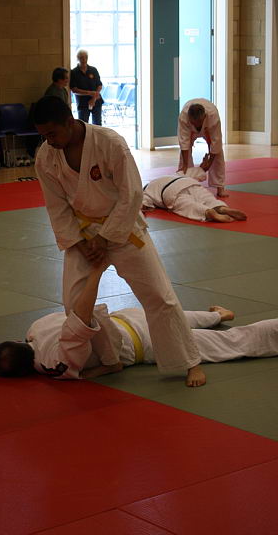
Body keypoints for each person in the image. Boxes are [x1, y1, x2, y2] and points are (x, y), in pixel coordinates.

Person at [33, 95, 206, 387]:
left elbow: (132, 193)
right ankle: (110, 358)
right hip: (83, 234)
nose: (49, 141)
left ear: (69, 121)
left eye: (52, 133)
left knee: (159, 296)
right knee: (75, 305)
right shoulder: (46, 157)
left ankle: (189, 362)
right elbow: (56, 207)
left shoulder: (109, 142)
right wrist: (79, 243)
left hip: (124, 229)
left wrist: (105, 238)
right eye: (43, 136)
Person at [0, 263, 278, 380]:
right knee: (175, 315)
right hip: (130, 316)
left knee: (233, 341)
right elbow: (74, 314)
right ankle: (217, 315)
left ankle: (225, 319)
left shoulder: (50, 363)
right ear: (17, 341)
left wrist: (105, 367)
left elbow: (82, 325)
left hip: (144, 344)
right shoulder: (35, 328)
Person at [142, 162, 247, 223]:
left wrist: (143, 208)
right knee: (207, 198)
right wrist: (203, 168)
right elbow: (193, 172)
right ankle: (221, 208)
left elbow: (143, 203)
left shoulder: (146, 190)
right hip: (188, 182)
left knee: (188, 205)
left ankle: (207, 212)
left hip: (170, 192)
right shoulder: (172, 175)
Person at [177, 99, 227, 198]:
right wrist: (185, 165)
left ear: (204, 117)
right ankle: (185, 184)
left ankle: (220, 187)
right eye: (193, 122)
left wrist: (209, 163)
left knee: (218, 154)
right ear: (189, 118)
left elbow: (216, 142)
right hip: (190, 131)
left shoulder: (212, 115)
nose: (196, 125)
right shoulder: (184, 116)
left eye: (198, 122)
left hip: (208, 129)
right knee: (184, 158)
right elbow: (184, 142)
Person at [69, 49, 103, 125]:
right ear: (78, 58)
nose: (84, 60)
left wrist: (93, 98)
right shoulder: (74, 72)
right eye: (81, 57)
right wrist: (89, 93)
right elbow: (74, 89)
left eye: (86, 57)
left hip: (96, 101)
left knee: (97, 124)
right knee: (83, 124)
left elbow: (99, 85)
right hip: (82, 103)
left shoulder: (93, 70)